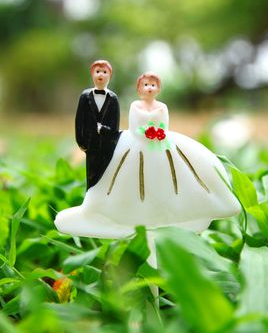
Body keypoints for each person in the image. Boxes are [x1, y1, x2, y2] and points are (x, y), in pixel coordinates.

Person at [55, 72, 240, 238]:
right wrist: (145, 132)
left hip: (160, 144)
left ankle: (172, 213)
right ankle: (126, 215)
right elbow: (135, 125)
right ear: (139, 88)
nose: (149, 88)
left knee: (168, 177)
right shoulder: (135, 105)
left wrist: (157, 132)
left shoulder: (162, 106)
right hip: (137, 145)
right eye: (146, 85)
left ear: (158, 88)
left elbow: (163, 125)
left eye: (153, 85)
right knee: (131, 178)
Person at [75, 60, 120, 190]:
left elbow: (115, 126)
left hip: (107, 146)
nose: (101, 74)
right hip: (91, 145)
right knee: (91, 176)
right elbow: (79, 121)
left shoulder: (113, 98)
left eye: (104, 72)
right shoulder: (85, 96)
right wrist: (81, 142)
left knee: (106, 176)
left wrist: (104, 130)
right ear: (92, 74)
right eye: (98, 71)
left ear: (109, 76)